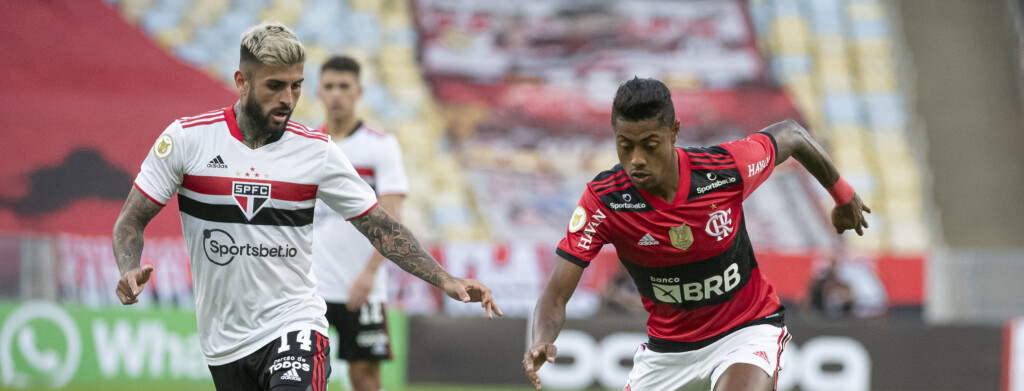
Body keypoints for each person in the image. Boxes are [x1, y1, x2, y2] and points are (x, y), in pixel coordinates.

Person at [112, 23, 501, 391]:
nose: (288, 99)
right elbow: (131, 220)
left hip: (295, 323)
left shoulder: (316, 150)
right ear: (241, 82)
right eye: (275, 86)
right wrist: (128, 267)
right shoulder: (187, 140)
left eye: (296, 86)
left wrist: (444, 278)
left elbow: (381, 225)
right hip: (223, 341)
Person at [522, 77, 870, 391]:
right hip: (668, 352)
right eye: (625, 145)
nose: (637, 159)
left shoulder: (723, 171)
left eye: (650, 144)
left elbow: (792, 134)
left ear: (674, 131)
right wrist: (541, 339)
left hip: (745, 330)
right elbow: (555, 295)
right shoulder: (605, 201)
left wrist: (843, 195)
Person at [312, 55, 408, 391]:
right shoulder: (306, 146)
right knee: (302, 375)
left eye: (344, 86)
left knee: (365, 377)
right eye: (329, 86)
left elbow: (393, 220)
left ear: (359, 92)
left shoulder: (380, 146)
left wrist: (369, 273)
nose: (336, 94)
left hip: (363, 286)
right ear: (319, 92)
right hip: (311, 289)